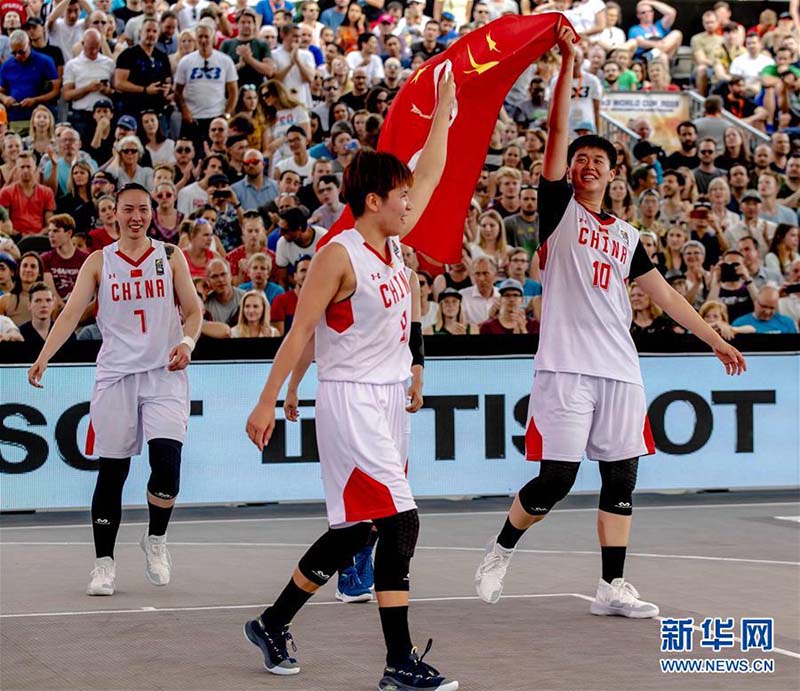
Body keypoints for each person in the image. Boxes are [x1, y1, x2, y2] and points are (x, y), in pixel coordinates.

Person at [474, 24, 745, 622]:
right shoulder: (559, 215)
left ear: (613, 174)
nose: (587, 164)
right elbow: (555, 135)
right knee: (555, 481)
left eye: (598, 159)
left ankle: (611, 587)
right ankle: (499, 551)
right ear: (570, 171)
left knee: (621, 480)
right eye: (581, 159)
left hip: (620, 369)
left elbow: (668, 298)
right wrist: (569, 65)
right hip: (566, 367)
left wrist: (714, 338)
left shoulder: (627, 236)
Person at [243, 72, 457, 690]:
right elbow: (299, 332)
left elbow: (431, 173)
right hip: (350, 400)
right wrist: (268, 399)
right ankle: (398, 664)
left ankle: (272, 621)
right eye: (399, 194)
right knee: (400, 522)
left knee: (356, 528)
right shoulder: (339, 254)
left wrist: (443, 111)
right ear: (372, 201)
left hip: (388, 398)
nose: (410, 200)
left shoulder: (393, 247)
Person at [28, 183, 202, 597]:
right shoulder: (98, 262)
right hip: (116, 377)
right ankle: (103, 564)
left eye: (143, 209)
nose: (136, 216)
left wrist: (187, 343)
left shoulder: (171, 256)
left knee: (167, 469)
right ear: (114, 215)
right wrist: (44, 355)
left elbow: (193, 311)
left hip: (164, 374)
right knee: (113, 472)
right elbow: (70, 314)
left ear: (153, 213)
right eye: (128, 210)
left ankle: (155, 538)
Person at [0, 151, 55, 236]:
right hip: (15, 238)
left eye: (29, 167)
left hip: (41, 238)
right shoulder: (6, 192)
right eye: (22, 167)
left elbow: (50, 224)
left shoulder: (47, 192)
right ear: (17, 169)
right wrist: (20, 235)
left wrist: (38, 235)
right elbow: (5, 224)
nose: (25, 170)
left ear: (35, 168)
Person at [732, 285, 798, 334]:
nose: (767, 312)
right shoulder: (739, 323)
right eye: (763, 306)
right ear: (756, 302)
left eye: (772, 308)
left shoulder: (787, 323)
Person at [270, 254, 309, 335]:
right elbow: (278, 338)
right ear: (295, 276)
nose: (307, 275)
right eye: (303, 270)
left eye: (311, 270)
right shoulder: (280, 301)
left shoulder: (324, 301)